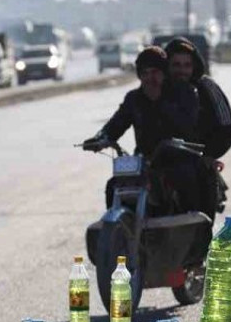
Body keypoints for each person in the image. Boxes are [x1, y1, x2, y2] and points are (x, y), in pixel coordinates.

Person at [84, 45, 204, 214]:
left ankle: (190, 230)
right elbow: (116, 124)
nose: (150, 78)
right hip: (144, 161)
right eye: (145, 73)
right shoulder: (134, 99)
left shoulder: (183, 93)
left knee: (186, 178)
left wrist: (164, 106)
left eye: (155, 72)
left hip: (177, 158)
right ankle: (119, 232)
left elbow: (189, 125)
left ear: (164, 73)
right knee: (114, 185)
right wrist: (101, 139)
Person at [163, 37, 231, 214]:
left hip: (197, 161)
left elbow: (229, 128)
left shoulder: (207, 87)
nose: (181, 70)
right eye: (176, 65)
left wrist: (208, 155)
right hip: (161, 158)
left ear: (194, 66)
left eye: (186, 65)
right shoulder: (158, 87)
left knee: (200, 216)